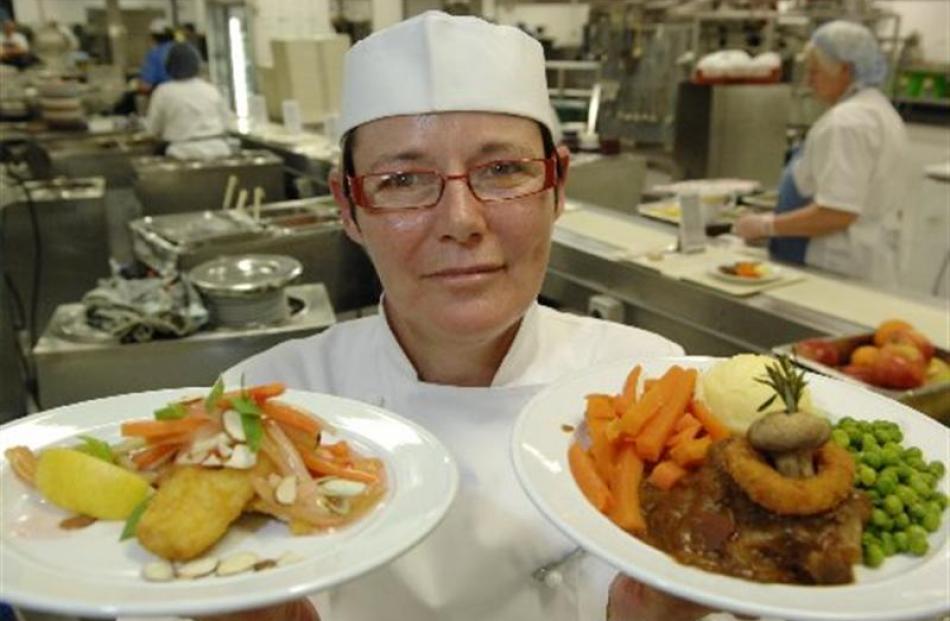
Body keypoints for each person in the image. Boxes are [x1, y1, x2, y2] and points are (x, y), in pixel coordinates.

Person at [132, 11, 722, 621]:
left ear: (558, 184)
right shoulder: (255, 409)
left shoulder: (658, 384)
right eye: (403, 179)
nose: (462, 220)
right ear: (348, 207)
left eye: (502, 170)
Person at [732, 21, 911, 288]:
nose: (808, 81)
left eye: (815, 72)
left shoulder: (847, 122)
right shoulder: (876, 110)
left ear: (845, 70)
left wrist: (766, 225)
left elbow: (837, 212)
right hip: (864, 262)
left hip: (836, 268)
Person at [145, 42, 233, 160]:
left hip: (181, 153)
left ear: (169, 66)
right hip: (218, 150)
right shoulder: (210, 89)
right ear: (197, 65)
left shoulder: (163, 91)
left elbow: (153, 129)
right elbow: (227, 122)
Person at [139, 18, 175, 94]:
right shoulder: (184, 50)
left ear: (153, 37)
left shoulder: (154, 54)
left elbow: (145, 86)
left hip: (164, 96)